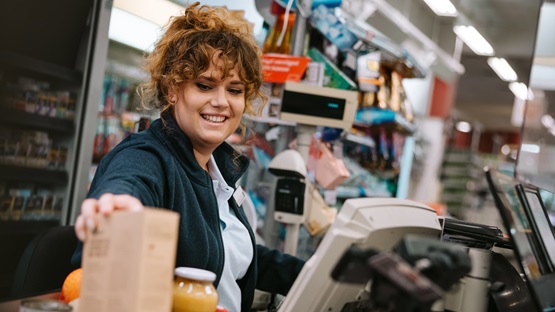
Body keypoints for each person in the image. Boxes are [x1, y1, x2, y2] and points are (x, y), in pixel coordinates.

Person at [72, 3, 304, 311]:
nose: (221, 102)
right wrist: (118, 206)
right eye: (205, 85)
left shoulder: (220, 170)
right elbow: (129, 181)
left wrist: (318, 270)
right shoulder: (148, 155)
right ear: (172, 88)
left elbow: (229, 251)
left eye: (234, 90)